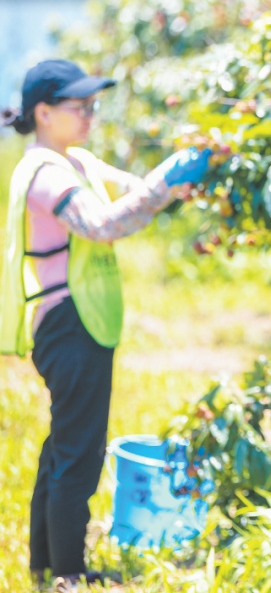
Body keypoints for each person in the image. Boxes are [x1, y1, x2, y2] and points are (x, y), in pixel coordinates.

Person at [0, 60, 212, 588]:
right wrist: (168, 178)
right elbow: (103, 225)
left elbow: (137, 193)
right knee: (79, 453)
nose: (91, 116)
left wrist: (181, 181)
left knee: (63, 447)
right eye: (80, 107)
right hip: (69, 325)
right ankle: (70, 577)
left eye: (94, 106)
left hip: (81, 322)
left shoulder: (73, 160)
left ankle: (47, 569)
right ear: (43, 113)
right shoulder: (46, 173)